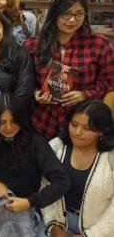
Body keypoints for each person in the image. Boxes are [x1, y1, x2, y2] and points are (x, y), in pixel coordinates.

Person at [0, 94, 70, 237]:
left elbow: (62, 181)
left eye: (14, 121)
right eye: (2, 122)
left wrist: (30, 202)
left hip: (24, 207)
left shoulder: (35, 142)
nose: (9, 128)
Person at [23, 0, 114, 139]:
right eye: (66, 13)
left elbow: (109, 80)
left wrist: (85, 94)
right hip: (41, 123)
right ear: (55, 14)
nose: (72, 20)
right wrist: (34, 93)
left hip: (80, 127)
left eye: (79, 14)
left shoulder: (99, 45)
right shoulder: (32, 45)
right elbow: (23, 79)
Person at [43, 100, 114, 237]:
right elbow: (44, 186)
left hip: (100, 229)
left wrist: (91, 235)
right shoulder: (56, 146)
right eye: (74, 124)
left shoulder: (110, 158)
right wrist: (54, 225)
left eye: (87, 128)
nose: (77, 132)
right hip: (56, 223)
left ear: (102, 131)